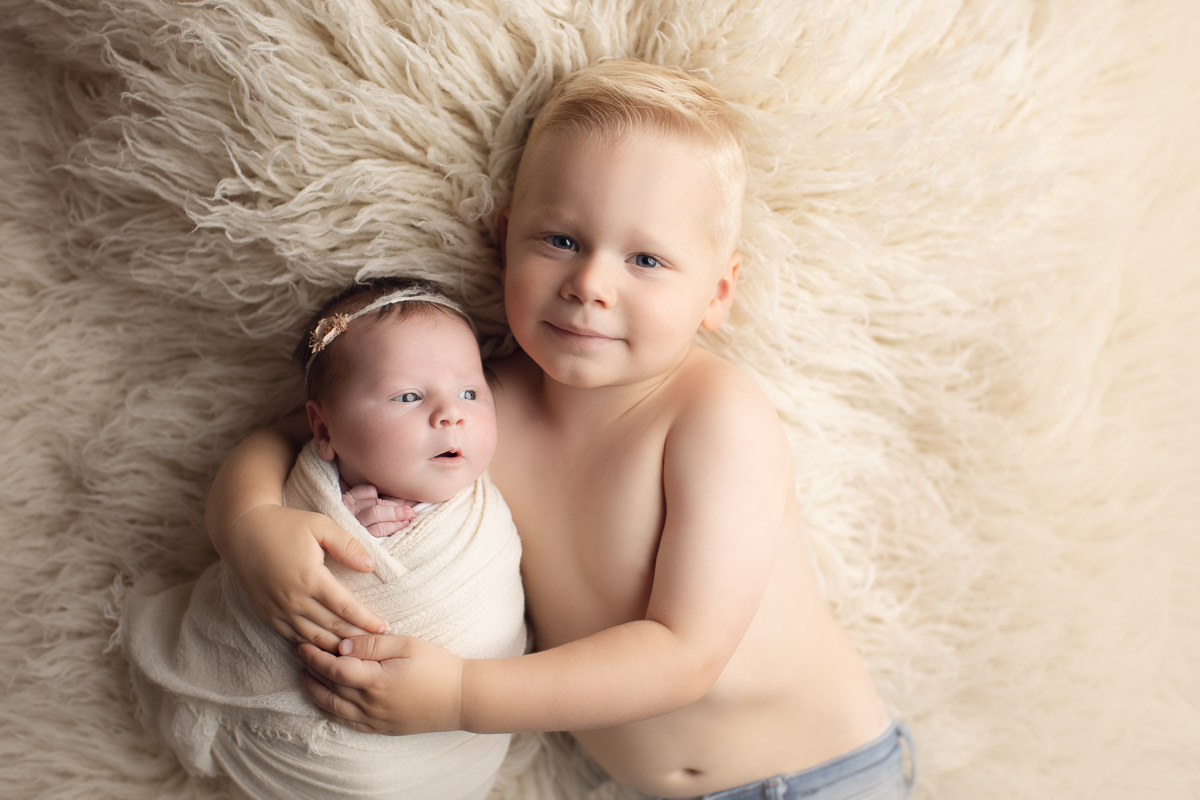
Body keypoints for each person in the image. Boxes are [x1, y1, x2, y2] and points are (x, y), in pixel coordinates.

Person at [207, 60, 916, 800]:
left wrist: (459, 698)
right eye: (561, 241)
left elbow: (685, 655)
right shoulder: (476, 407)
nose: (590, 286)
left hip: (821, 778)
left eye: (645, 259)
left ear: (717, 293)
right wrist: (251, 524)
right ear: (505, 240)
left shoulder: (712, 416)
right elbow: (292, 434)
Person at [121, 278, 527, 800]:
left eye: (471, 392)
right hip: (310, 746)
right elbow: (271, 558)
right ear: (325, 430)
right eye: (408, 395)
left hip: (446, 746)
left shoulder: (477, 516)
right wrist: (287, 521)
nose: (452, 413)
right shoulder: (307, 483)